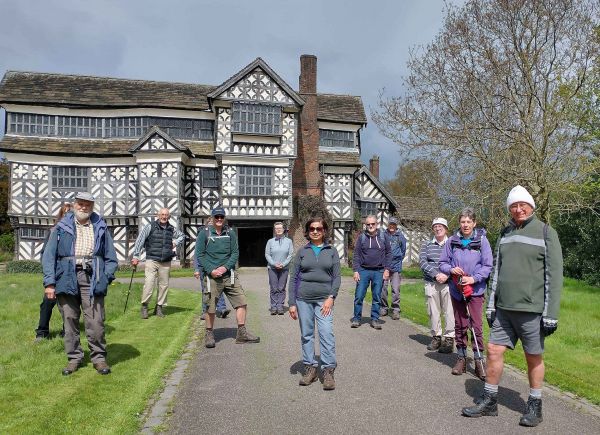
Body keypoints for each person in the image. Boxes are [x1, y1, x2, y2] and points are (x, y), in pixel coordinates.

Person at [462, 186, 563, 428]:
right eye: (513, 206)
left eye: (522, 205)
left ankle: (535, 406)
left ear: (531, 206)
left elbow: (554, 275)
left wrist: (551, 314)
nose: (518, 209)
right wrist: (491, 305)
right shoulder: (505, 233)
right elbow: (496, 272)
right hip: (504, 310)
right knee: (493, 350)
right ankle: (490, 400)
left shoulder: (547, 233)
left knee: (533, 357)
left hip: (532, 311)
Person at [42, 192, 117, 375]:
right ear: (75, 205)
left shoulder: (100, 226)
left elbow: (111, 258)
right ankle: (74, 358)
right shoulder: (61, 227)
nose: (83, 207)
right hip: (66, 277)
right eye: (80, 204)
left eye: (87, 205)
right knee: (69, 320)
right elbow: (48, 256)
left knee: (96, 321)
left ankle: (99, 358)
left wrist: (106, 277)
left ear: (92, 207)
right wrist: (49, 283)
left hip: (93, 278)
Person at [194, 206, 260, 348]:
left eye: (221, 217)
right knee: (210, 307)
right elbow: (200, 255)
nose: (219, 219)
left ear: (224, 218)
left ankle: (241, 333)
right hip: (212, 277)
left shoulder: (230, 233)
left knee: (242, 302)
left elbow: (235, 253)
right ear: (212, 218)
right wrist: (211, 270)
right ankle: (209, 333)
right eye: (216, 217)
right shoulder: (203, 234)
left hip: (229, 275)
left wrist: (225, 267)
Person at [439, 208, 492, 380]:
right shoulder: (452, 241)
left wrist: (473, 279)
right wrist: (451, 269)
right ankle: (461, 358)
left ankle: (478, 361)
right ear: (459, 223)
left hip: (475, 290)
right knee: (460, 325)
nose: (465, 225)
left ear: (474, 223)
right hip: (456, 290)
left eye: (469, 222)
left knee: (476, 326)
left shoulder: (482, 241)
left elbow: (487, 266)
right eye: (463, 222)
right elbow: (443, 263)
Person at [289, 217, 340, 390]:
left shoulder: (331, 251)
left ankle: (327, 370)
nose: (315, 231)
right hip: (303, 300)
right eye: (312, 229)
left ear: (324, 231)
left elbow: (337, 277)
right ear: (308, 231)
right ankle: (310, 368)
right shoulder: (302, 251)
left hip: (324, 300)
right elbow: (294, 278)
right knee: (307, 335)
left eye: (319, 228)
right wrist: (292, 303)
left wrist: (331, 297)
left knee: (326, 333)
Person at [131, 208, 185, 319]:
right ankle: (144, 306)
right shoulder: (150, 226)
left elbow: (182, 236)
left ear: (169, 216)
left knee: (164, 285)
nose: (164, 217)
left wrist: (175, 242)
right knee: (149, 283)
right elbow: (140, 241)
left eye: (166, 215)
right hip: (152, 260)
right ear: (158, 215)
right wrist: (136, 256)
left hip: (166, 261)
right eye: (162, 214)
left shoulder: (171, 228)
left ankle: (159, 307)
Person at [34, 202, 72, 342]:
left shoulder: (75, 232)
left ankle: (66, 331)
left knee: (68, 305)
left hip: (68, 275)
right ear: (61, 215)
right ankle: (42, 333)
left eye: (70, 212)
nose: (67, 215)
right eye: (65, 212)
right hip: (55, 275)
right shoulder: (53, 230)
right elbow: (45, 253)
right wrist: (49, 273)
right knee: (47, 303)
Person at [419, 217, 455, 354]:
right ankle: (436, 337)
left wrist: (447, 275)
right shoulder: (427, 245)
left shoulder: (452, 244)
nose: (438, 228)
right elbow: (422, 262)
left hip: (448, 283)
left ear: (446, 229)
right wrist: (435, 274)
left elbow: (456, 262)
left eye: (441, 226)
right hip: (431, 282)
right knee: (433, 311)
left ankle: (449, 339)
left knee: (449, 312)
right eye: (435, 226)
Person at [351, 214, 391, 329]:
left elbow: (389, 253)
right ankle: (356, 318)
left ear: (377, 224)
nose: (370, 226)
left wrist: (387, 269)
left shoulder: (384, 237)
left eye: (372, 224)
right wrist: (356, 270)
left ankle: (375, 319)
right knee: (359, 296)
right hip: (363, 270)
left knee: (377, 296)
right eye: (368, 224)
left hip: (379, 271)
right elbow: (357, 254)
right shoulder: (361, 237)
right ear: (365, 225)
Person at [379, 217, 406, 320]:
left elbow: (403, 251)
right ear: (388, 224)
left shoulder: (401, 237)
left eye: (394, 224)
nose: (392, 226)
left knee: (395, 289)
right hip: (384, 266)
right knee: (383, 288)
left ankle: (395, 310)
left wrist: (397, 260)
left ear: (396, 226)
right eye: (390, 224)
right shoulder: (383, 235)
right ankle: (383, 308)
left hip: (396, 266)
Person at [265, 221, 294, 315]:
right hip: (272, 268)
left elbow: (290, 255)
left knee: (281, 288)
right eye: (276, 228)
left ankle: (280, 306)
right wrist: (274, 264)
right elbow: (267, 254)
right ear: (274, 229)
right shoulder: (270, 241)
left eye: (280, 228)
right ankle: (273, 306)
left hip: (284, 268)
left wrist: (283, 264)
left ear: (283, 229)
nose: (278, 230)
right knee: (274, 288)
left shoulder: (289, 241)